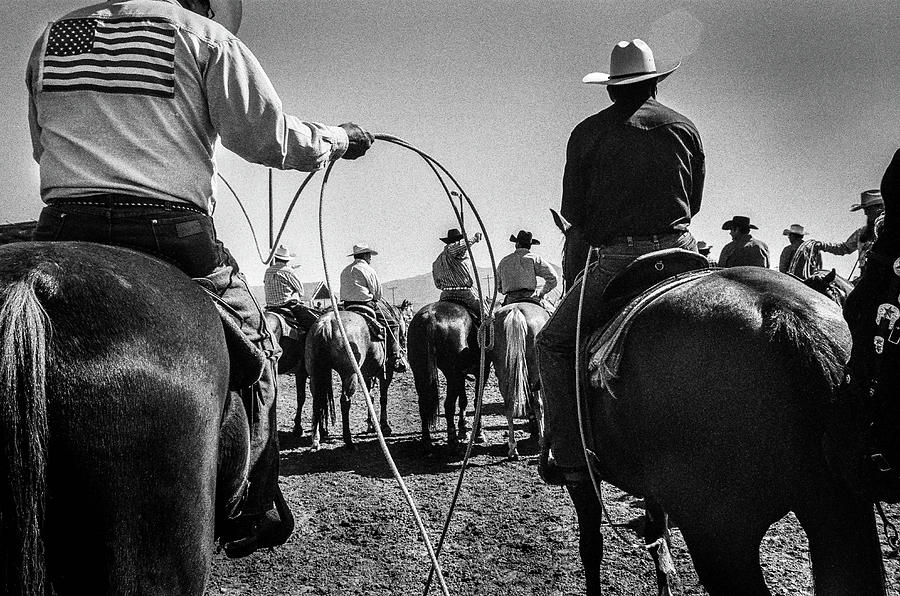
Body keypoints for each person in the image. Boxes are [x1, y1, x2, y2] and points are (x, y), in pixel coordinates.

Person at [26, 0, 375, 558]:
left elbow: (42, 143)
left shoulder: (56, 35)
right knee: (257, 337)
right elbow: (271, 140)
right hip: (168, 230)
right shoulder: (204, 37)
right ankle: (250, 505)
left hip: (67, 222)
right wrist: (336, 139)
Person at [537, 38, 704, 482]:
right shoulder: (684, 127)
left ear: (611, 90)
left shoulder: (589, 132)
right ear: (654, 85)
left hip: (619, 257)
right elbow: (696, 201)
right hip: (684, 251)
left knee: (552, 344)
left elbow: (573, 213)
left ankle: (571, 456)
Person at [340, 244, 405, 372]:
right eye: (369, 255)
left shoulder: (345, 270)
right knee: (393, 324)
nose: (371, 257)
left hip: (347, 306)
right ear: (365, 255)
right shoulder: (368, 269)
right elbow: (377, 294)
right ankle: (395, 357)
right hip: (366, 304)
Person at [817, 190, 885, 280]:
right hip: (865, 277)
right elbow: (844, 248)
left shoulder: (893, 231)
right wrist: (822, 245)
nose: (865, 213)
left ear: (880, 208)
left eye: (868, 209)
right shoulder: (862, 232)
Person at [263, 244, 319, 331]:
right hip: (287, 305)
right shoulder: (289, 272)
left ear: (275, 258)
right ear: (287, 260)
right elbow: (301, 291)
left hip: (270, 306)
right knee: (314, 326)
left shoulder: (268, 271)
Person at [432, 227, 483, 320]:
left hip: (445, 295)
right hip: (464, 294)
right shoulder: (453, 249)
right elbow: (458, 247)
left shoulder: (437, 261)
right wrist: (474, 238)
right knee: (488, 316)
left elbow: (437, 284)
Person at [496, 230, 558, 306]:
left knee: (494, 315)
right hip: (530, 298)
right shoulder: (534, 258)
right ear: (530, 246)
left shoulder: (504, 261)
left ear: (517, 244)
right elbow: (553, 278)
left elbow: (498, 286)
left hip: (510, 299)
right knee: (552, 312)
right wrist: (542, 292)